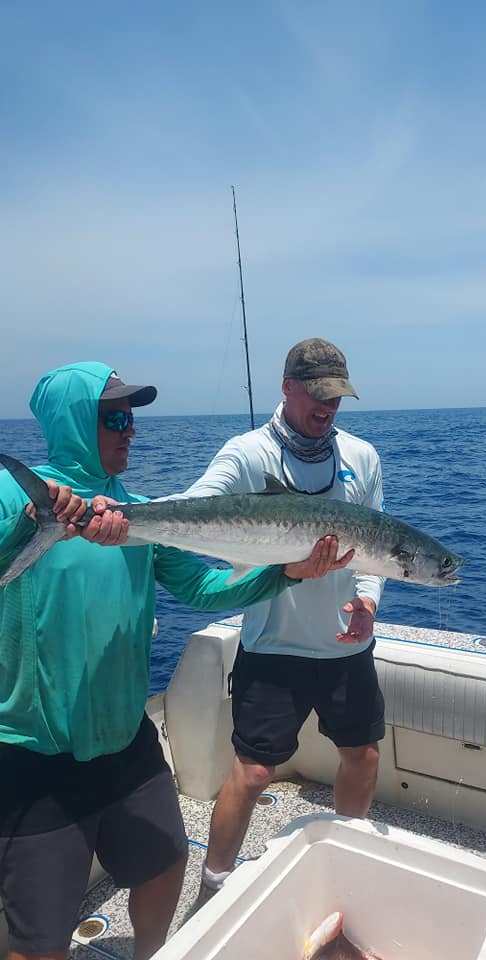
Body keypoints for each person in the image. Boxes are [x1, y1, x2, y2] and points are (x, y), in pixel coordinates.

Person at [0, 360, 351, 960]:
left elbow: (203, 589)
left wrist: (284, 574)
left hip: (125, 738)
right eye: (114, 419)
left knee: (166, 862)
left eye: (131, 419)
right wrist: (29, 520)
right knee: (40, 939)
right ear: (73, 422)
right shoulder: (15, 494)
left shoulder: (136, 511)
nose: (130, 430)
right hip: (37, 753)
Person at [174, 338, 386, 901]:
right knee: (252, 772)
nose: (327, 407)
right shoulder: (248, 454)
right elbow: (198, 501)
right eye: (317, 395)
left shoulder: (362, 458)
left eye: (337, 397)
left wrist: (367, 604)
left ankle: (347, 856)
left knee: (363, 755)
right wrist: (132, 517)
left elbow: (377, 545)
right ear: (288, 387)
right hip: (272, 646)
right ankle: (214, 883)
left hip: (345, 647)